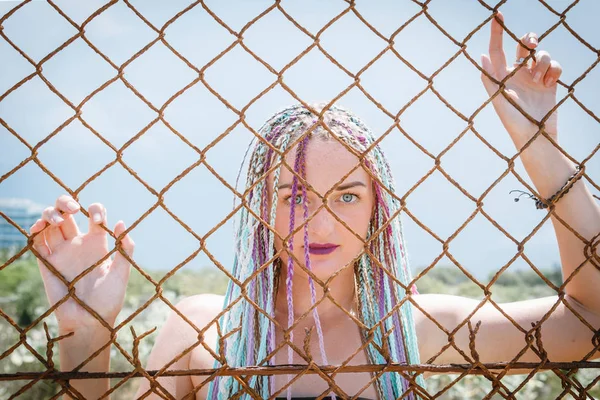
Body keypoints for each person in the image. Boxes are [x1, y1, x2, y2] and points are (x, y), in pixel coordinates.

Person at [29, 12, 600, 400]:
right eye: (293, 195)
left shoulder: (414, 329)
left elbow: (591, 323)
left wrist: (540, 146)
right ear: (260, 207)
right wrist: (87, 335)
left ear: (379, 209)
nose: (319, 221)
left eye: (347, 195)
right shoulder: (202, 329)